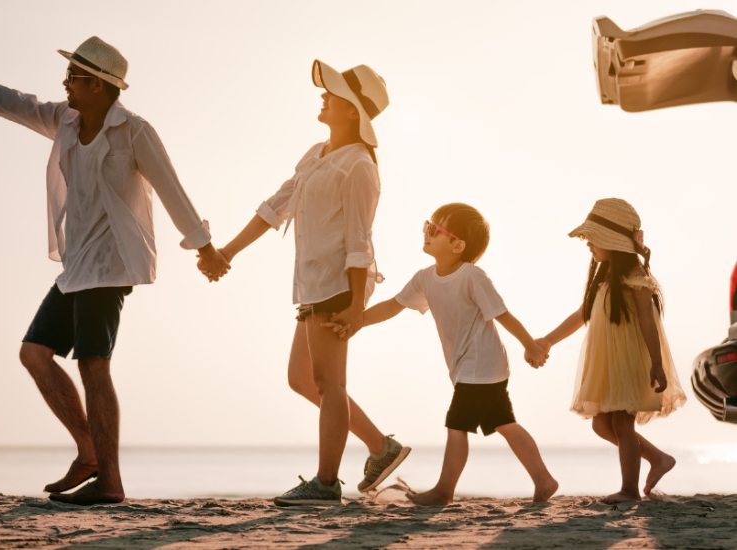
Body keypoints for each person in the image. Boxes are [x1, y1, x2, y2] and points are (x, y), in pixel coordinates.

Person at [0, 37, 230, 505]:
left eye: (73, 76)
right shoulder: (64, 120)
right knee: (34, 353)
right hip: (77, 266)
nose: (65, 83)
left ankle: (110, 482)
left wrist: (205, 249)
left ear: (98, 85)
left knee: (94, 365)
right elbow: (10, 102)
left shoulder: (135, 131)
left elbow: (172, 189)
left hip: (111, 264)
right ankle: (89, 453)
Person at [205, 60, 409, 506]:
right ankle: (381, 447)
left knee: (329, 382)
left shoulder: (359, 166)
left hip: (339, 285)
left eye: (332, 93)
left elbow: (359, 241)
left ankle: (326, 483)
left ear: (352, 110)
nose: (323, 96)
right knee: (301, 378)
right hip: (314, 283)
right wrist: (227, 252)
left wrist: (355, 307)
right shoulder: (317, 153)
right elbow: (275, 206)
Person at [329, 203, 558, 505]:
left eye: (435, 229)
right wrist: (356, 321)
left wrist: (530, 345)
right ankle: (544, 480)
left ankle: (444, 490)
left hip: (479, 365)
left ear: (457, 245)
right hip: (475, 368)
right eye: (428, 225)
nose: (427, 232)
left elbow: (502, 314)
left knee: (457, 425)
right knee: (505, 423)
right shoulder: (425, 278)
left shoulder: (472, 276)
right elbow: (394, 305)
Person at [535, 198, 686, 504]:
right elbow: (583, 314)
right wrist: (548, 341)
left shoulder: (636, 275)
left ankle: (629, 490)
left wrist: (657, 363)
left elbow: (648, 321)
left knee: (621, 422)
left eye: (593, 238)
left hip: (630, 360)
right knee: (601, 424)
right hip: (608, 361)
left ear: (613, 242)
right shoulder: (604, 275)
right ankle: (659, 458)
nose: (588, 244)